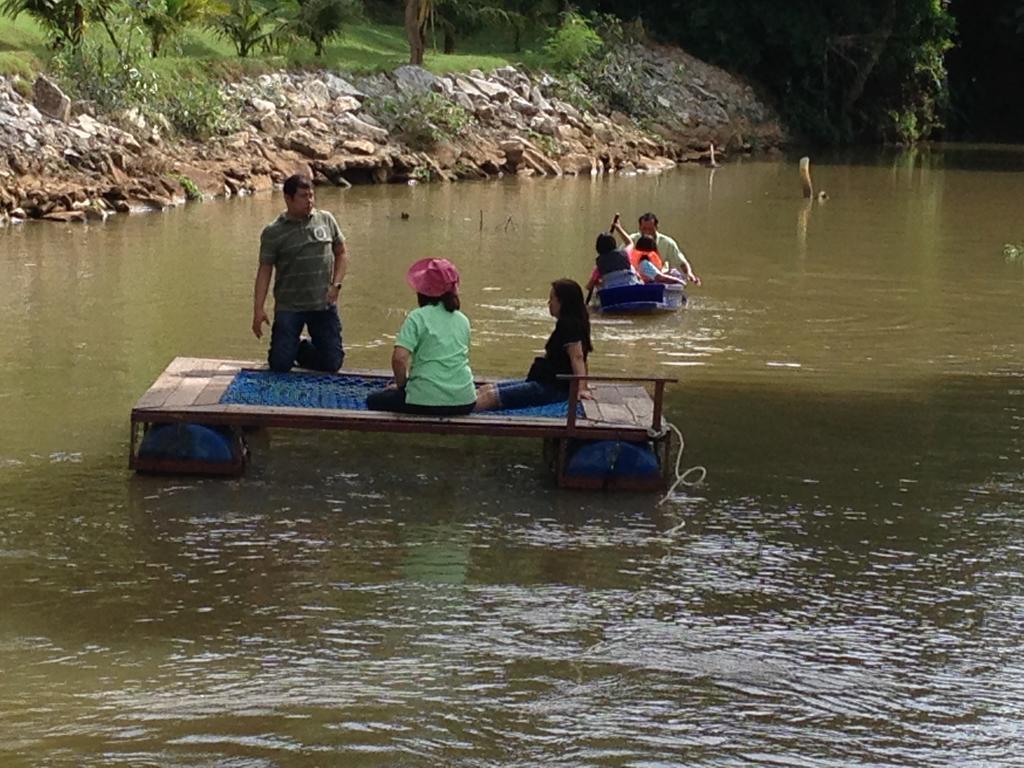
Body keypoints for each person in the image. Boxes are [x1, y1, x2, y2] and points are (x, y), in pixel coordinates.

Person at [252, 174, 348, 373]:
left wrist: (336, 285)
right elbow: (264, 271)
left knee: (332, 364)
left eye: (311, 196)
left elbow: (341, 253)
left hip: (323, 305)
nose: (310, 201)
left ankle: (301, 349)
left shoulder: (326, 220)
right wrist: (258, 309)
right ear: (288, 198)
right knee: (279, 366)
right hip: (290, 307)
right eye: (304, 196)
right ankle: (289, 348)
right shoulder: (273, 232)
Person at [366, 258, 476, 416]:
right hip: (465, 401)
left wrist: (402, 387)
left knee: (373, 400)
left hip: (423, 401)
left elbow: (399, 359)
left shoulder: (417, 317)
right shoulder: (463, 320)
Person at [475, 279, 593, 411]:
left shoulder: (570, 326)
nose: (549, 303)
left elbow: (578, 357)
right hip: (545, 382)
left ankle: (459, 413)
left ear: (563, 302)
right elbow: (583, 358)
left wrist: (581, 389)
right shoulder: (574, 323)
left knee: (491, 396)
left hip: (552, 388)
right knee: (486, 389)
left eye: (552, 299)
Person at [613, 211, 701, 285]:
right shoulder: (633, 239)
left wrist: (690, 274)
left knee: (675, 272)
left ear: (657, 227)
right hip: (637, 279)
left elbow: (681, 262)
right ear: (639, 227)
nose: (647, 233)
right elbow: (620, 259)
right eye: (644, 229)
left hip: (661, 276)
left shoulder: (667, 242)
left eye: (650, 229)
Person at [585, 232, 640, 297]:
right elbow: (630, 243)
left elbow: (589, 286)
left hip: (613, 297)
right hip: (632, 292)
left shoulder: (600, 266)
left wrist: (598, 283)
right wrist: (618, 228)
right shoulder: (625, 254)